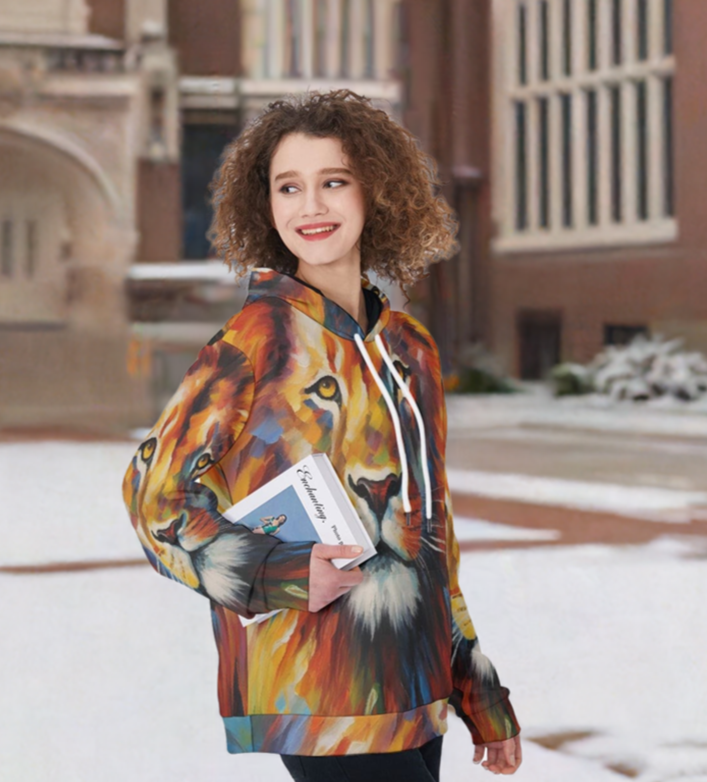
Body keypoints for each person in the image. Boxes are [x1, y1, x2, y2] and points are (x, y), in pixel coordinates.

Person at [122, 89, 522, 781]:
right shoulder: (255, 342)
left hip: (414, 689)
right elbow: (152, 502)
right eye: (289, 187)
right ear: (266, 205)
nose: (311, 206)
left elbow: (433, 536)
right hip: (315, 691)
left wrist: (476, 687)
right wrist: (277, 573)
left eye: (333, 181)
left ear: (376, 192)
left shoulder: (409, 350)